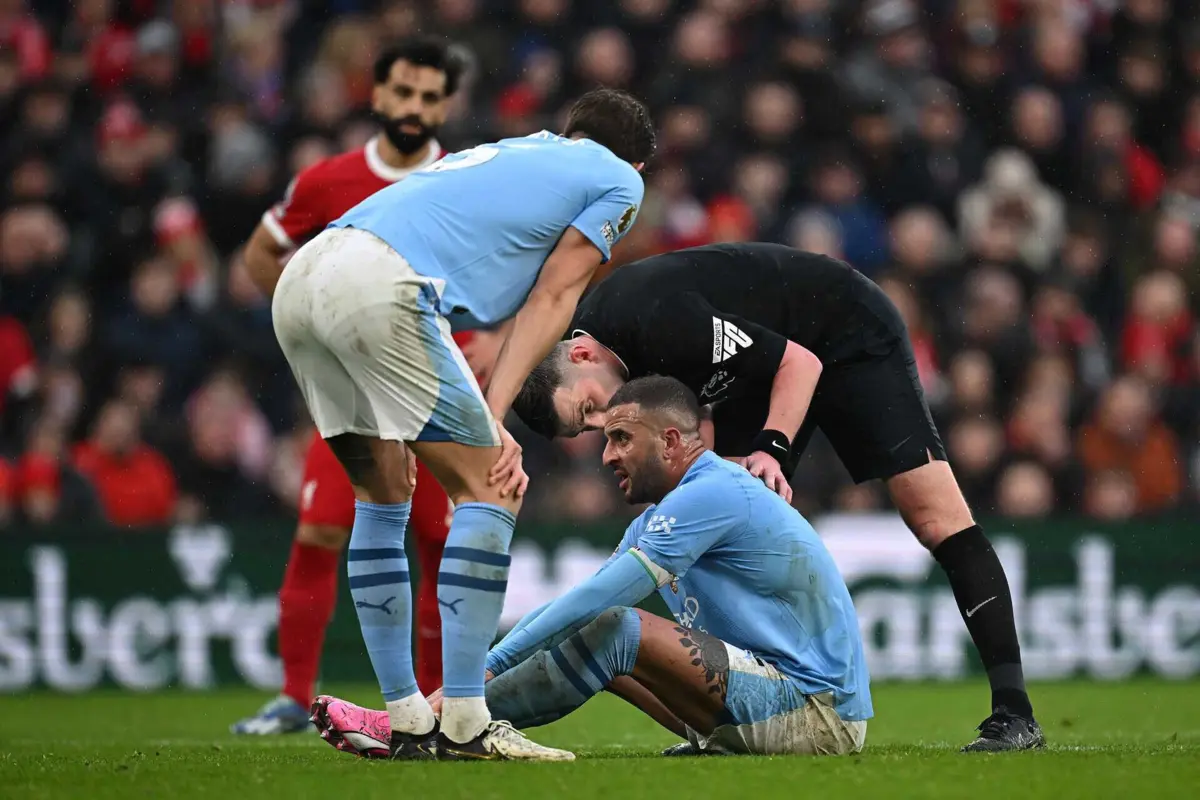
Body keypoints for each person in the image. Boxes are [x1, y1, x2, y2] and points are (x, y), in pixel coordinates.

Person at [511, 242, 1045, 753]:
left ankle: (1014, 711)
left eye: (590, 409)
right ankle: (753, 703)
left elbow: (800, 363)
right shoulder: (621, 358)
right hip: (762, 367)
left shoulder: (655, 319)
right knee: (704, 513)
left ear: (581, 353)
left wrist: (772, 447)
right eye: (589, 429)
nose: (604, 423)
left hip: (842, 331)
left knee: (936, 519)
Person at [263, 87, 654, 761]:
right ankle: (469, 722)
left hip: (304, 278)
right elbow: (556, 293)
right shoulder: (619, 179)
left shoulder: (518, 151)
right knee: (493, 487)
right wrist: (495, 413)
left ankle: (409, 717)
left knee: (383, 493)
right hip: (382, 283)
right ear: (638, 164)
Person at [308, 376, 872, 758]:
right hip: (772, 698)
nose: (607, 456)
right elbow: (585, 604)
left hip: (820, 716)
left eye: (621, 439)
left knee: (617, 628)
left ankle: (437, 730)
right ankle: (452, 722)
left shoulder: (713, 494)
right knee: (605, 642)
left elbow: (601, 602)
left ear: (672, 441)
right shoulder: (673, 507)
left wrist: (489, 664)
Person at [232, 38, 475, 736]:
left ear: (445, 105)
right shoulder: (326, 182)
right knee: (317, 531)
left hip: (432, 393)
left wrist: (484, 337)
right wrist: (310, 329)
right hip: (351, 395)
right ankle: (291, 697)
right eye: (403, 92)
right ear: (376, 95)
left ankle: (436, 702)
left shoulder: (460, 178)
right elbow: (260, 251)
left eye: (430, 97)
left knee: (439, 541)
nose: (414, 108)